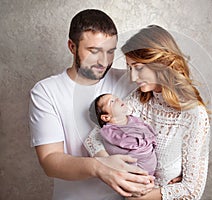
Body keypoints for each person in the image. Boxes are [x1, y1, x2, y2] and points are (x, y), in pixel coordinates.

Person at [29, 9, 154, 200]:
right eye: (94, 51)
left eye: (110, 52)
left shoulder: (131, 80)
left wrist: (175, 171)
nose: (103, 62)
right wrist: (99, 166)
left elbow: (171, 110)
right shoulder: (46, 91)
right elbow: (49, 160)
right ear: (72, 46)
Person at [85, 25, 211, 199]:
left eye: (138, 67)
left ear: (161, 63)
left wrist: (138, 197)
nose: (132, 77)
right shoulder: (140, 99)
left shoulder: (194, 115)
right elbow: (93, 139)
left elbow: (192, 190)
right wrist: (111, 166)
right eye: (129, 68)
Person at [91, 93, 157, 175]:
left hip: (150, 167)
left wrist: (150, 140)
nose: (118, 99)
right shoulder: (110, 132)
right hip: (134, 171)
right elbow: (130, 146)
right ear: (106, 117)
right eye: (112, 101)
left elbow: (147, 131)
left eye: (116, 97)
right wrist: (145, 143)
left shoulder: (133, 119)